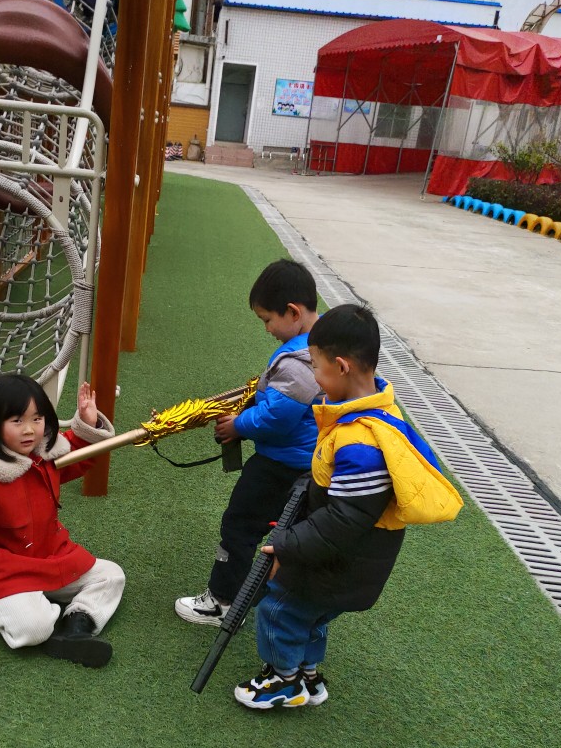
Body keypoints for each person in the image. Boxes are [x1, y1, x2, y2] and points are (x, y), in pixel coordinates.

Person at [234, 304, 462, 710]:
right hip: (350, 561)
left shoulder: (360, 441)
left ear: (341, 367)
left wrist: (286, 544)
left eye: (316, 369)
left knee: (279, 610)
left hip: (339, 562)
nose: (315, 380)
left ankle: (284, 680)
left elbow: (345, 519)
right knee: (312, 616)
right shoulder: (378, 411)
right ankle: (308, 674)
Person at [0, 375, 125, 668]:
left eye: (37, 418)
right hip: (1, 571)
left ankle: (76, 626)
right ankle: (11, 606)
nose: (30, 429)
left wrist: (87, 423)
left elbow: (78, 454)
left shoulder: (45, 453)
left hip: (50, 556)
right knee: (34, 628)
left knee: (112, 575)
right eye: (17, 420)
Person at [175, 258, 320, 624]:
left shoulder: (300, 362)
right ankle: (277, 601)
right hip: (308, 465)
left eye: (267, 319)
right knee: (288, 535)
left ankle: (223, 602)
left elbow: (279, 417)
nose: (267, 329)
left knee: (239, 525)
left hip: (280, 465)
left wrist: (238, 426)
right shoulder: (322, 344)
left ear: (293, 312)